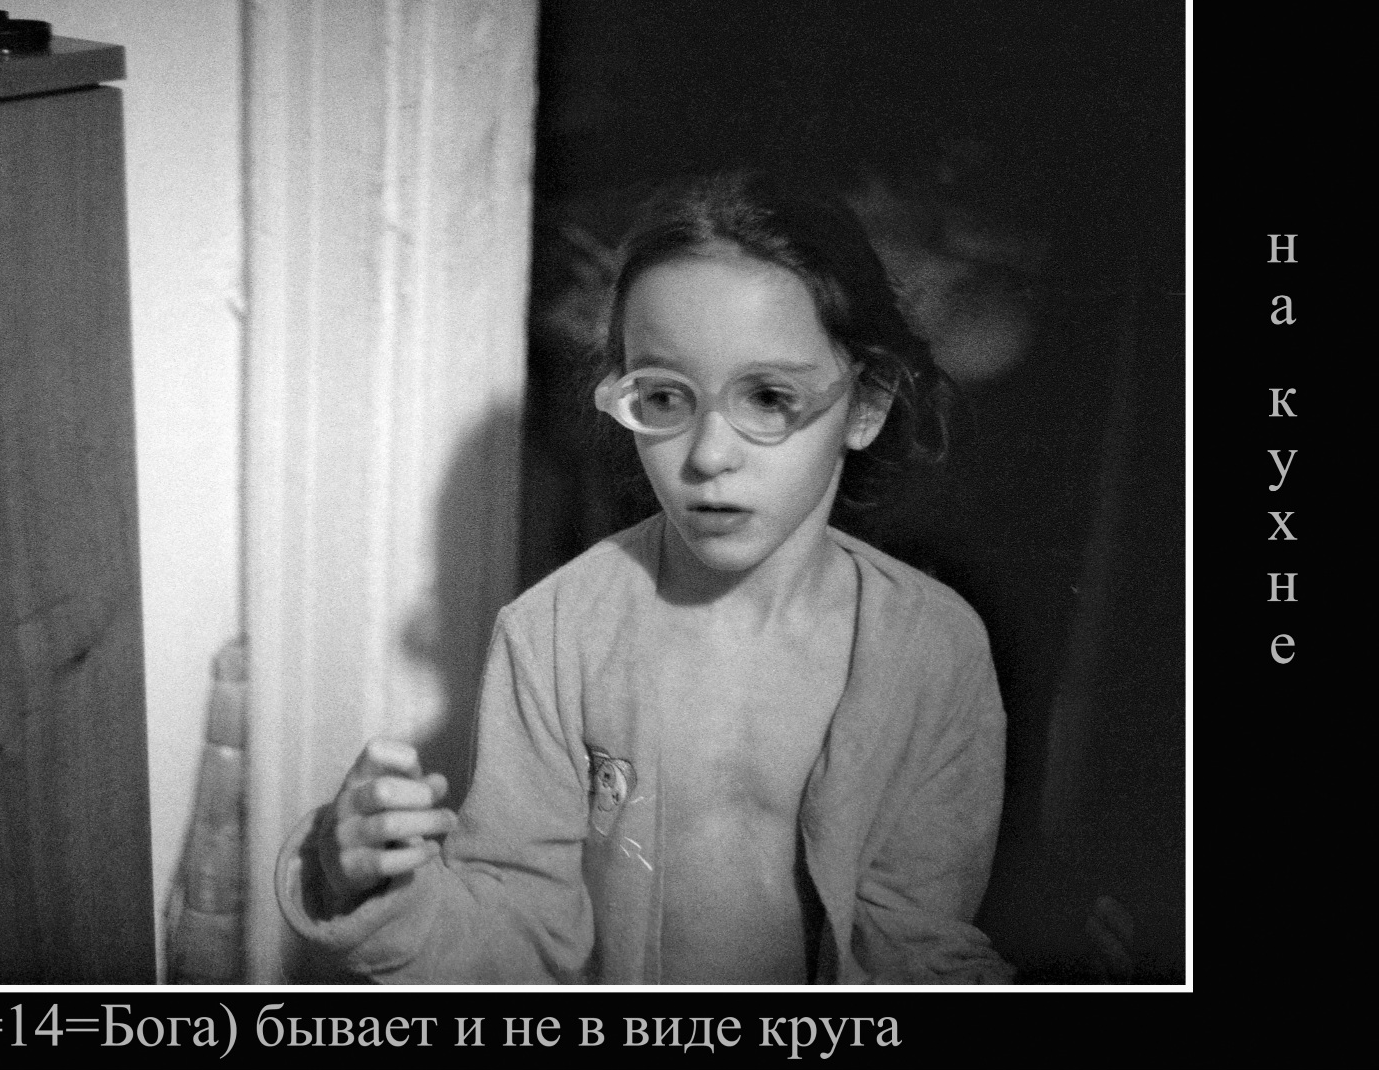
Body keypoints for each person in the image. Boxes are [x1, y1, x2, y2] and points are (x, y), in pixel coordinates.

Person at [275, 171, 1012, 984]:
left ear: (865, 404)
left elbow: (918, 944)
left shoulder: (932, 648)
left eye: (770, 397)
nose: (709, 454)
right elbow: (518, 933)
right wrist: (369, 888)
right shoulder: (556, 632)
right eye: (664, 397)